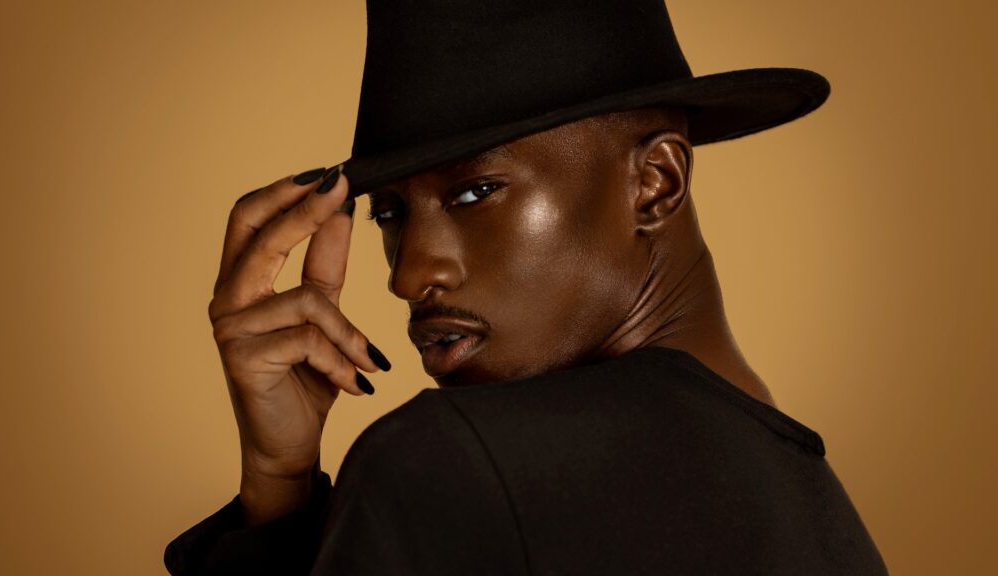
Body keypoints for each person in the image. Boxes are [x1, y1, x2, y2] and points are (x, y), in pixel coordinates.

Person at [165, 0, 888, 574]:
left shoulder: (448, 459)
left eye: (476, 192)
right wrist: (280, 479)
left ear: (655, 182)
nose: (410, 274)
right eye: (388, 213)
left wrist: (277, 500)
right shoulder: (819, 512)